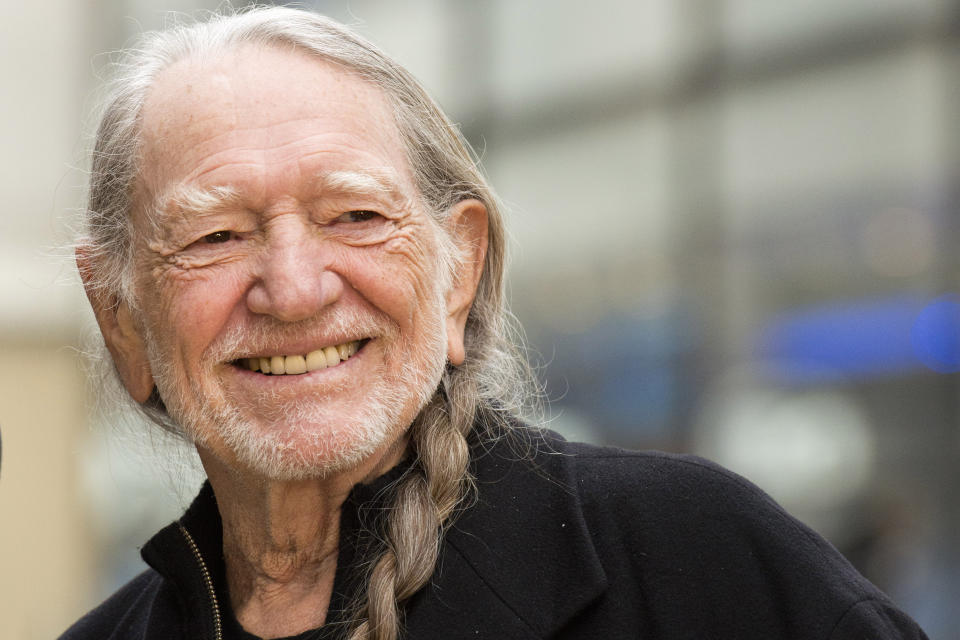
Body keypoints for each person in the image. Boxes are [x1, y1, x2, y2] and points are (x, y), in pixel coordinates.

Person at [61, 6, 928, 640]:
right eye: (216, 235)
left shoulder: (694, 564)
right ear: (122, 320)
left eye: (356, 216)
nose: (292, 290)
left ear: (458, 273)